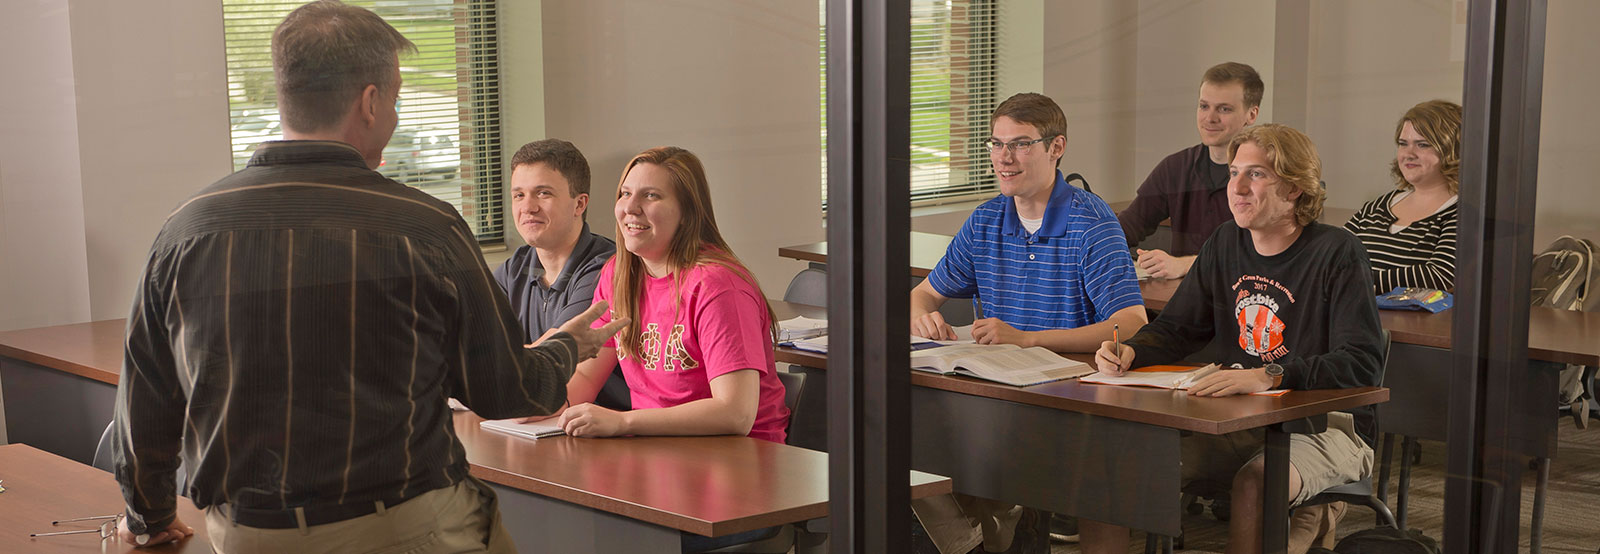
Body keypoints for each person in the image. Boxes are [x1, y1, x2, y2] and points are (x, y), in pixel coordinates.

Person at [110, 2, 626, 552]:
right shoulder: (426, 228)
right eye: (398, 98)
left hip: (247, 535)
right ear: (371, 102)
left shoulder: (184, 231)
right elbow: (506, 390)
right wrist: (565, 348)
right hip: (404, 526)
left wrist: (150, 516)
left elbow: (146, 398)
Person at [1083, 124, 1384, 554]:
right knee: (1110, 463)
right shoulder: (1226, 242)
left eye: (1256, 175)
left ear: (1295, 188)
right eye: (1233, 173)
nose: (1237, 188)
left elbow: (1362, 362)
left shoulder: (1337, 251)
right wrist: (1131, 350)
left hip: (1327, 426)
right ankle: (1308, 518)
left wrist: (1270, 375)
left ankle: (1315, 510)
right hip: (1239, 419)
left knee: (1256, 482)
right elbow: (1177, 329)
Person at [909, 92, 1146, 554]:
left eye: (1019, 144)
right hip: (996, 390)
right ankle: (981, 539)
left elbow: (1132, 323)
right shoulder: (987, 219)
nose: (1004, 158)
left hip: (1073, 396)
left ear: (1056, 148)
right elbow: (922, 293)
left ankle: (999, 530)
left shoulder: (1091, 223)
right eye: (996, 144)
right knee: (901, 444)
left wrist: (1026, 338)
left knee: (1096, 476)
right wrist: (923, 315)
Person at [554, 146, 791, 552]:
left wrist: (622, 423)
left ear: (688, 211)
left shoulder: (717, 286)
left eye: (651, 196)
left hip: (740, 479)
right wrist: (520, 401)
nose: (631, 208)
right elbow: (585, 379)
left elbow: (735, 412)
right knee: (551, 518)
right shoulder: (620, 274)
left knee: (600, 539)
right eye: (625, 194)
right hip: (659, 463)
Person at [492, 138, 630, 411]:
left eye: (543, 193)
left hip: (609, 428)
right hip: (540, 423)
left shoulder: (606, 267)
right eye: (519, 195)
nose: (527, 207)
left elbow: (556, 350)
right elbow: (474, 346)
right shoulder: (513, 270)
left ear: (579, 205)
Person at [1119, 62, 1264, 280]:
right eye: (1204, 106)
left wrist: (1184, 265)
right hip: (1183, 299)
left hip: (1245, 299)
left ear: (1251, 115)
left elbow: (1260, 257)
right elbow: (1129, 226)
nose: (1210, 118)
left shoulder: (1266, 175)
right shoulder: (1175, 168)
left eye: (1224, 109)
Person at [1343, 99, 1462, 293]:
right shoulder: (1378, 205)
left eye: (1422, 145)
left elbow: (1439, 275)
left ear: (1452, 150)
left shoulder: (1461, 213)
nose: (1408, 153)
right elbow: (1330, 256)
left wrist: (1354, 279)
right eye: (1402, 143)